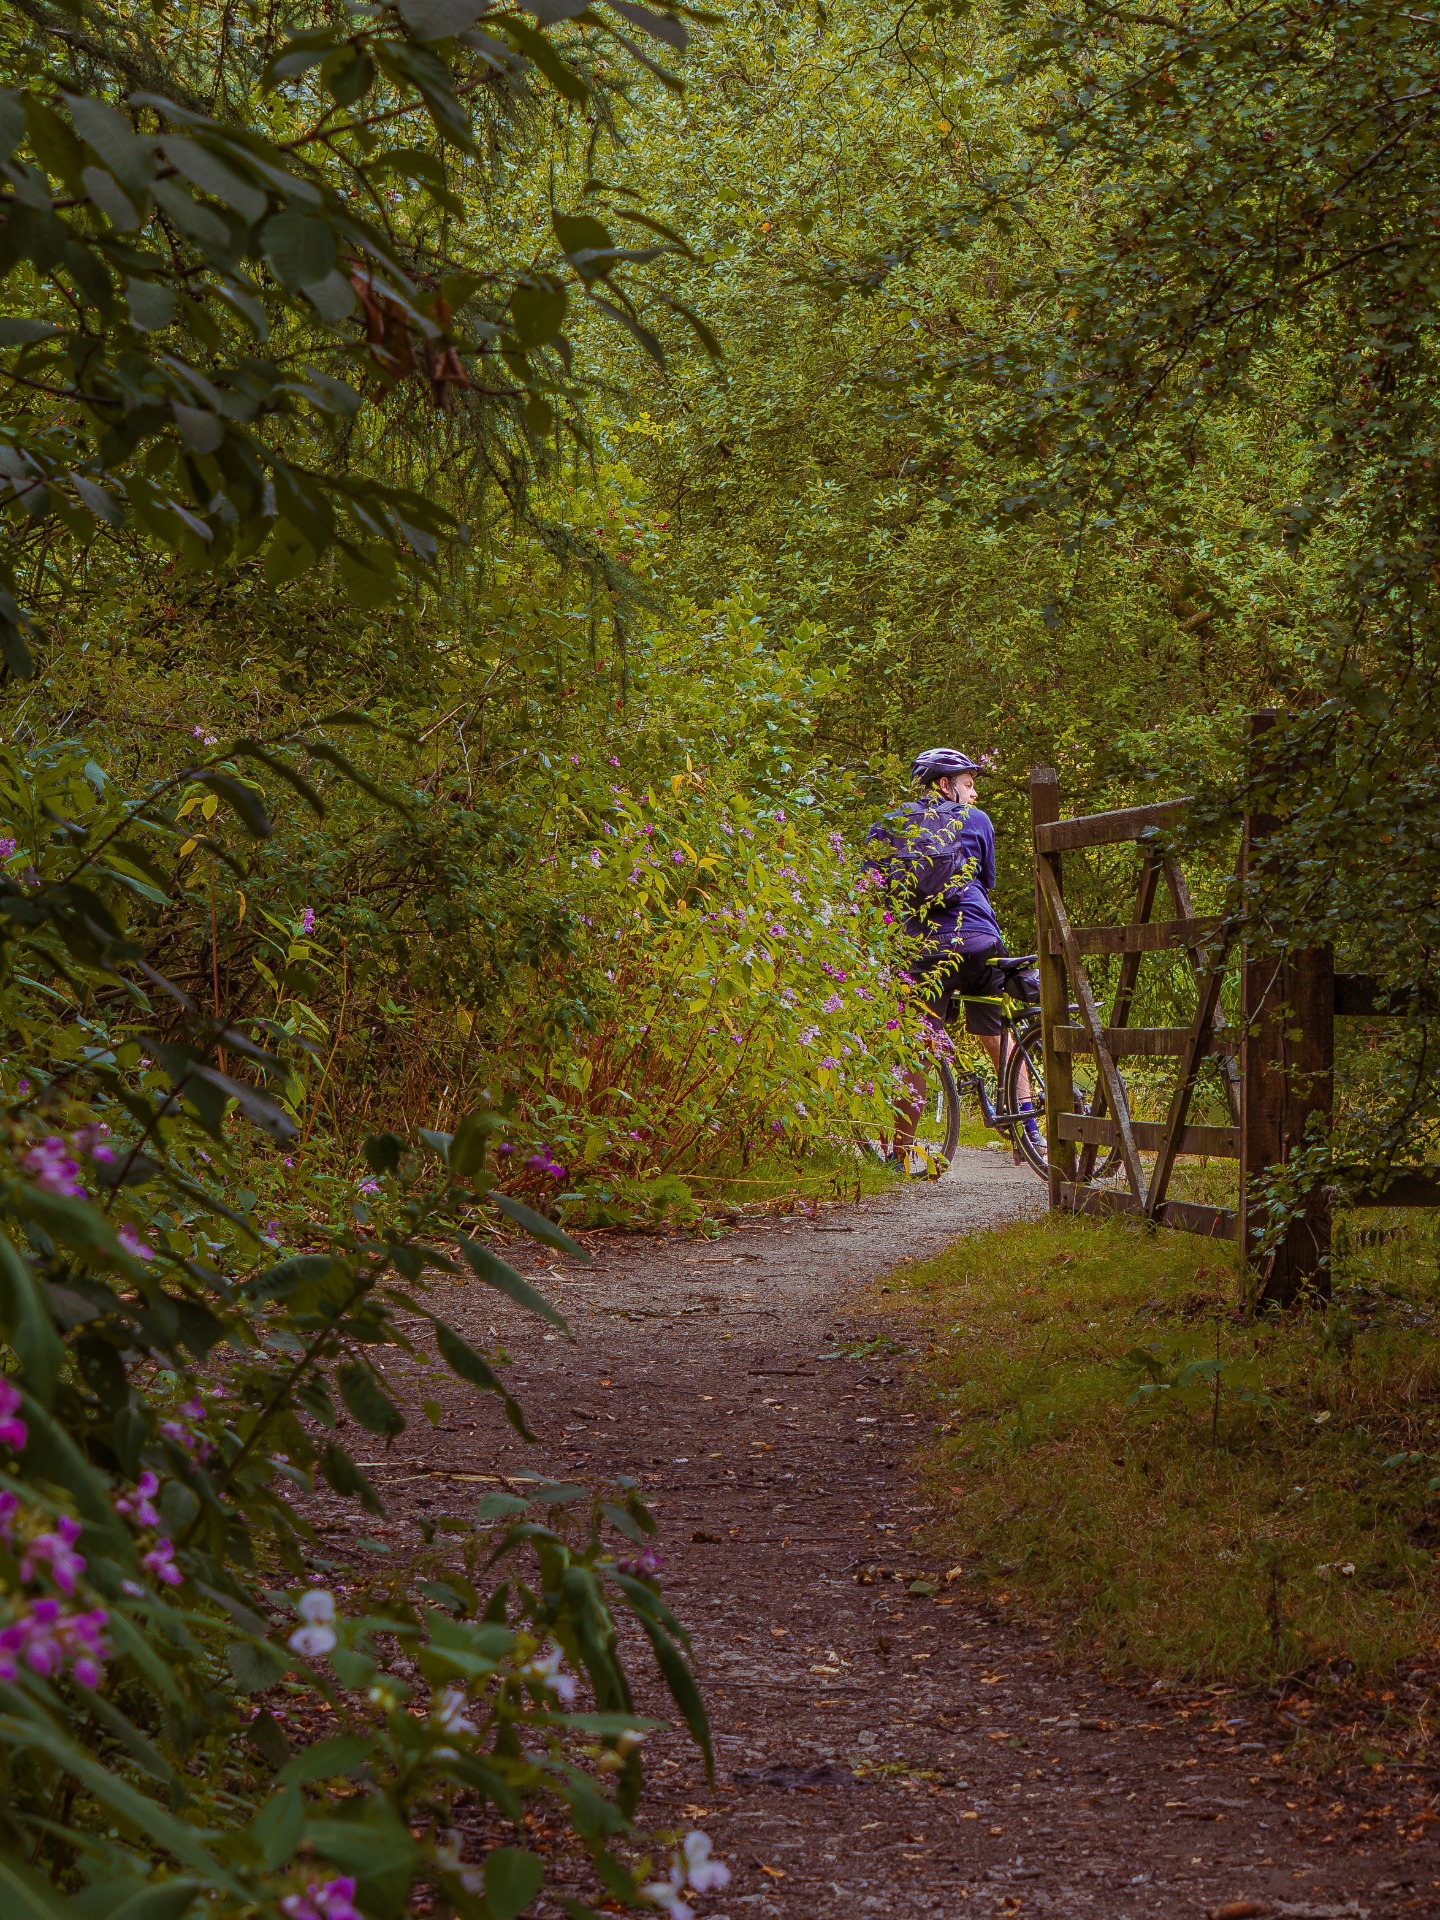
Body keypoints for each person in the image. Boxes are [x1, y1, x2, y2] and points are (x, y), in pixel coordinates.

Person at [866, 747, 1043, 1167]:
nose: (975, 793)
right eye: (968, 784)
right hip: (979, 940)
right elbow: (986, 882)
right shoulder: (977, 822)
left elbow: (872, 890)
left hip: (922, 949)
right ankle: (1032, 1135)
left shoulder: (888, 825)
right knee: (997, 1030)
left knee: (918, 1047)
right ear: (944, 785)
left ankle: (902, 1153)